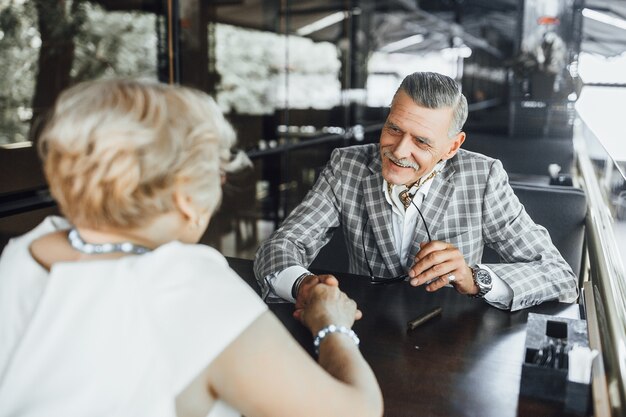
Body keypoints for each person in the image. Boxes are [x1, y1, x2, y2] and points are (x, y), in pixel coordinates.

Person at [0, 79, 383, 417]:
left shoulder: (25, 250)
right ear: (186, 194)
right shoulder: (189, 286)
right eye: (217, 172)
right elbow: (357, 411)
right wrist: (332, 327)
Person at [254, 71, 578, 313]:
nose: (399, 150)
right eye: (394, 129)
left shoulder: (483, 178)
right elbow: (282, 245)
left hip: (451, 339)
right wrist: (302, 285)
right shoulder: (346, 165)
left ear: (452, 146)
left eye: (422, 141)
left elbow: (558, 275)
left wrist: (475, 278)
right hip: (364, 327)